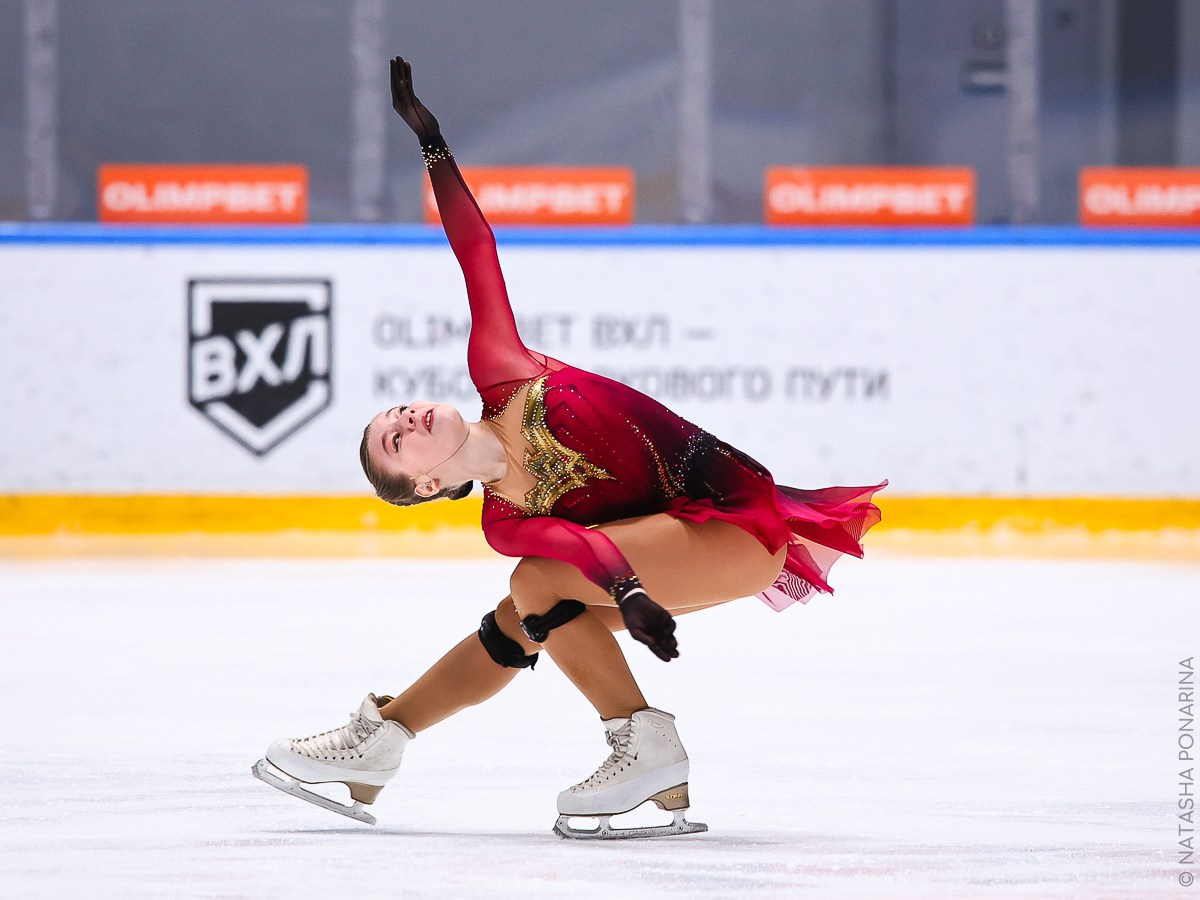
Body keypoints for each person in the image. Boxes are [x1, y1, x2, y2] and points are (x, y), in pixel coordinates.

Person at [253, 56, 886, 839]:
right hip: (672, 555)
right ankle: (379, 745)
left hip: (736, 524)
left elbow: (475, 250)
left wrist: (432, 143)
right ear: (424, 487)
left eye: (400, 410)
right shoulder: (504, 519)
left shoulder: (502, 370)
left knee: (535, 586)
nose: (407, 417)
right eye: (395, 439)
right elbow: (578, 548)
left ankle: (644, 744)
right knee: (521, 612)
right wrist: (630, 594)